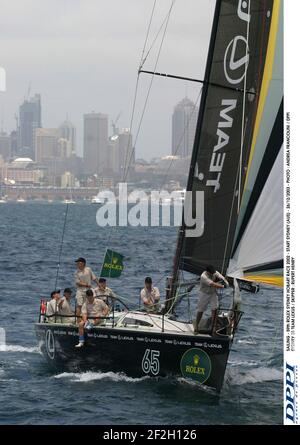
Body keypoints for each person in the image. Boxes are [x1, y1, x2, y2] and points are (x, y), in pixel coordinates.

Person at [194, 265, 229, 335]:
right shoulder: (203, 276)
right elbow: (213, 284)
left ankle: (214, 328)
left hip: (213, 293)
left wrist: (226, 282)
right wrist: (223, 286)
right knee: (200, 310)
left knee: (214, 309)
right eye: (211, 273)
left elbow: (222, 278)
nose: (213, 274)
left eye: (214, 272)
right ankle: (196, 327)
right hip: (204, 294)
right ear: (208, 272)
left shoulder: (214, 272)